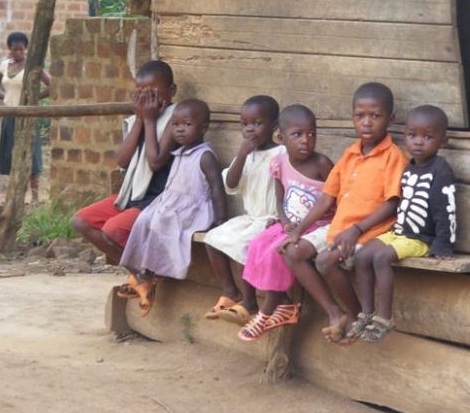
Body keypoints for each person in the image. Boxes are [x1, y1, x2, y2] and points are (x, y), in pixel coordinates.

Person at [279, 82, 408, 343]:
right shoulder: (349, 155)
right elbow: (327, 198)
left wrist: (357, 229)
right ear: (352, 118)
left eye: (375, 115)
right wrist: (299, 230)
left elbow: (392, 203)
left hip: (369, 231)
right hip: (341, 228)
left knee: (326, 261)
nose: (367, 123)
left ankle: (358, 316)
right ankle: (339, 314)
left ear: (390, 119)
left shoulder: (393, 156)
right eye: (360, 116)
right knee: (292, 251)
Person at [354, 105, 456, 342]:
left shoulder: (441, 170)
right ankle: (366, 312)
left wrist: (443, 245)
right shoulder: (410, 167)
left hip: (421, 239)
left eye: (427, 137)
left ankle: (384, 317)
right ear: (405, 137)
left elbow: (447, 209)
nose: (418, 142)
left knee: (381, 258)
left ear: (443, 141)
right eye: (413, 136)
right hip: (400, 232)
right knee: (361, 255)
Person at [117, 99, 228, 316]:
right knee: (143, 221)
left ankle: (151, 274)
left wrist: (221, 219)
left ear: (203, 128)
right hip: (170, 205)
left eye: (186, 125)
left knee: (162, 223)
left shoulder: (204, 156)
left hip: (193, 210)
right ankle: (140, 272)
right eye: (175, 125)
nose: (179, 130)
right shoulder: (179, 153)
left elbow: (216, 187)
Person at [238, 105, 333, 341]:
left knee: (276, 252)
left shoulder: (322, 164)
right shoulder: (280, 163)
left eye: (312, 134)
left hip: (318, 225)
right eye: (298, 134)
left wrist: (298, 229)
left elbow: (334, 199)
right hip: (291, 223)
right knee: (257, 244)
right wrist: (284, 221)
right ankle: (283, 303)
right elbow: (280, 199)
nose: (306, 140)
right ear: (281, 138)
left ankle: (265, 312)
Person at [71, 60, 178, 265]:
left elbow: (155, 163)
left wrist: (149, 120)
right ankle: (138, 271)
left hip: (157, 199)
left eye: (153, 92)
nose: (147, 99)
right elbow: (122, 159)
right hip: (131, 196)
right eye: (140, 92)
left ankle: (145, 272)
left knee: (113, 229)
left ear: (172, 91)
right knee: (81, 221)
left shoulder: (176, 119)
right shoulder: (135, 120)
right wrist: (140, 119)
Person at [202, 95, 285, 324]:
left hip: (273, 220)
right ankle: (231, 292)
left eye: (257, 123)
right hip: (251, 218)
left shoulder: (282, 154)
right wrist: (241, 154)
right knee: (212, 239)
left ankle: (250, 302)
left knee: (242, 245)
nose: (250, 129)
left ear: (275, 126)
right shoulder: (247, 156)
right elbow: (230, 184)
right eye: (245, 123)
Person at [0, 32, 50, 203]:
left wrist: (33, 98)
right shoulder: (4, 66)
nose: (18, 53)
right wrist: (5, 98)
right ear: (10, 49)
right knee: (11, 153)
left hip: (28, 115)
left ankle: (35, 196)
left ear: (26, 49)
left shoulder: (31, 66)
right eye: (15, 50)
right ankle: (15, 196)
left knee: (32, 153)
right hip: (10, 115)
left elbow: (51, 85)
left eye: (21, 50)